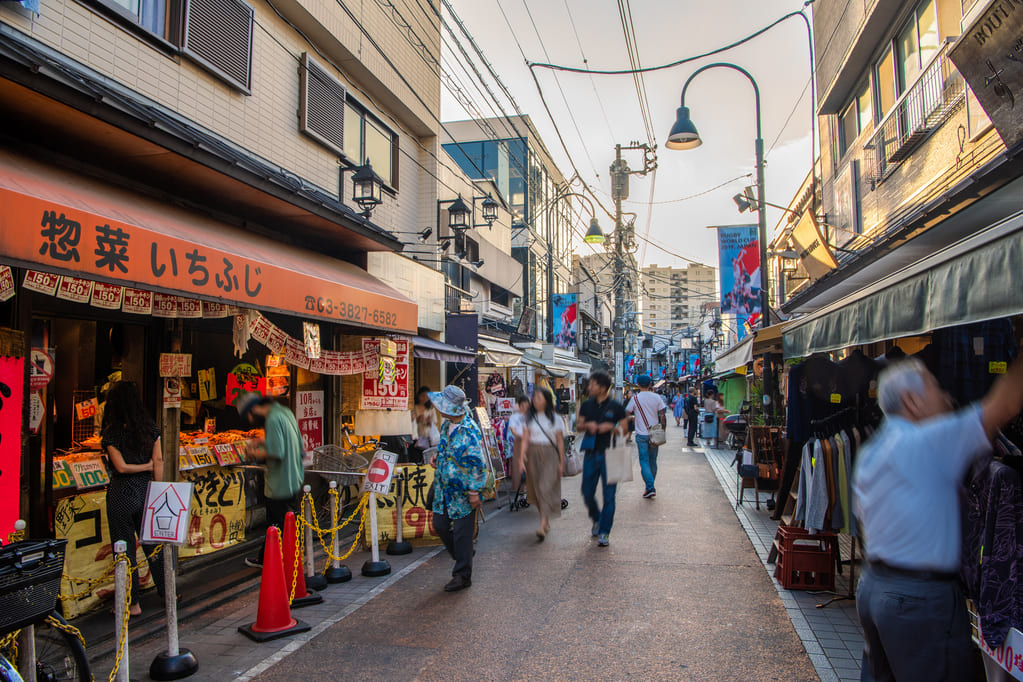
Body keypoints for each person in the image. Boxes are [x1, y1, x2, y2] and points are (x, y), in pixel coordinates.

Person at [853, 356, 1023, 681]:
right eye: (934, 387)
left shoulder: (872, 451)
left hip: (874, 589)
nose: (946, 396)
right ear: (912, 401)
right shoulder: (931, 441)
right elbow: (1006, 403)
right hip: (919, 601)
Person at [101, 381, 165, 616]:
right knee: (153, 544)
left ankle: (132, 602)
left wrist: (137, 466)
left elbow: (121, 467)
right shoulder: (151, 429)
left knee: (124, 549)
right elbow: (158, 462)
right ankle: (167, 591)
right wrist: (155, 484)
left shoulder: (112, 434)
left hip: (121, 493)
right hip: (147, 490)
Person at [428, 385, 486, 592]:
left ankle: (462, 575)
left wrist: (474, 491)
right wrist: (438, 458)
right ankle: (464, 553)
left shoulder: (470, 430)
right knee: (440, 524)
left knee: (462, 533)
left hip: (463, 492)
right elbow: (445, 450)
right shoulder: (446, 426)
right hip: (444, 487)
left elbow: (478, 463)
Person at [238, 392, 305, 569]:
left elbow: (277, 452)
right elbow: (295, 442)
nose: (252, 421)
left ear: (253, 409)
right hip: (294, 478)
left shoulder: (273, 419)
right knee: (283, 523)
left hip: (279, 483)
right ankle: (270, 558)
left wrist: (253, 453)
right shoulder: (285, 413)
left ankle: (274, 561)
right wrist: (260, 440)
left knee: (276, 523)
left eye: (250, 416)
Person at [576, 371, 627, 547]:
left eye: (593, 384)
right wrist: (587, 425)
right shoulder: (587, 405)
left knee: (609, 495)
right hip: (591, 452)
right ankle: (597, 519)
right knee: (587, 491)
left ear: (603, 388)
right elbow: (579, 425)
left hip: (611, 452)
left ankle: (605, 531)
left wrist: (611, 427)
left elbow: (625, 430)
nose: (589, 387)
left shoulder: (616, 406)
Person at [515, 387, 564, 541]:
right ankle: (545, 518)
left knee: (545, 486)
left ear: (547, 400)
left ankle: (542, 524)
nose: (535, 400)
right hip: (533, 455)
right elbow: (525, 439)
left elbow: (560, 441)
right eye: (534, 397)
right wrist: (521, 458)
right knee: (536, 490)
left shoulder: (556, 419)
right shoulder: (528, 419)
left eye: (539, 397)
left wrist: (562, 462)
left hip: (550, 454)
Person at [626, 375, 668, 499]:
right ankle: (649, 486)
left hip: (641, 434)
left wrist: (634, 418)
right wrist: (663, 430)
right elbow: (663, 415)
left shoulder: (635, 398)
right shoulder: (657, 398)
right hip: (654, 434)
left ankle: (650, 487)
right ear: (650, 385)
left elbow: (626, 412)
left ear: (638, 384)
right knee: (653, 461)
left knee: (644, 461)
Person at [412, 386, 439, 464]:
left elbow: (434, 421)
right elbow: (412, 421)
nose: (425, 398)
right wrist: (419, 418)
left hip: (428, 437)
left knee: (427, 457)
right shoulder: (415, 407)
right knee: (417, 456)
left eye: (427, 396)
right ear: (419, 396)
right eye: (422, 396)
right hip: (417, 436)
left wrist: (429, 421)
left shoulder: (430, 408)